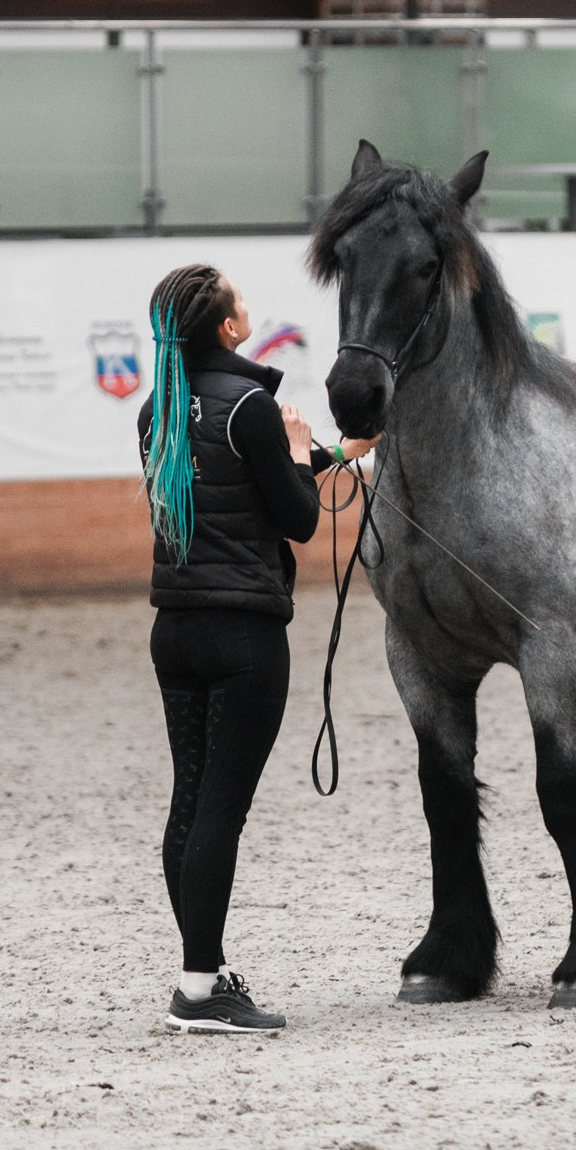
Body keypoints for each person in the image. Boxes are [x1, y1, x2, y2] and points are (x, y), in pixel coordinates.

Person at [136, 263, 379, 1034]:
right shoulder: (252, 404)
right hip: (243, 633)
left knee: (190, 802)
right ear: (230, 329)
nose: (249, 307)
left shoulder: (156, 411)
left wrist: (333, 453)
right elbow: (299, 519)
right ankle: (202, 991)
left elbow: (239, 484)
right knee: (221, 813)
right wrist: (303, 440)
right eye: (241, 303)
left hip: (175, 628)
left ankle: (201, 970)